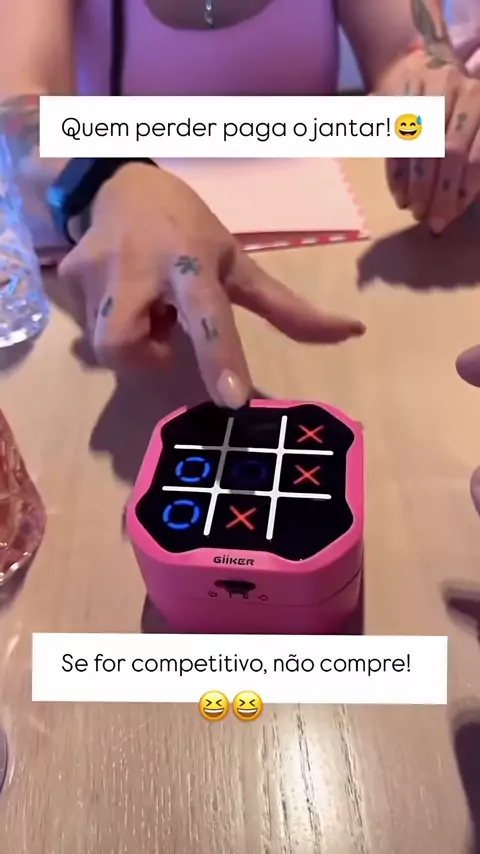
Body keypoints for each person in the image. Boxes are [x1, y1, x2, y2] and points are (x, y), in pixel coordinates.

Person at [0, 0, 480, 408]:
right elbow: (19, 108)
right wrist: (104, 180)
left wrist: (432, 92)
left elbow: (408, 54)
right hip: (129, 280)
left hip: (322, 268)